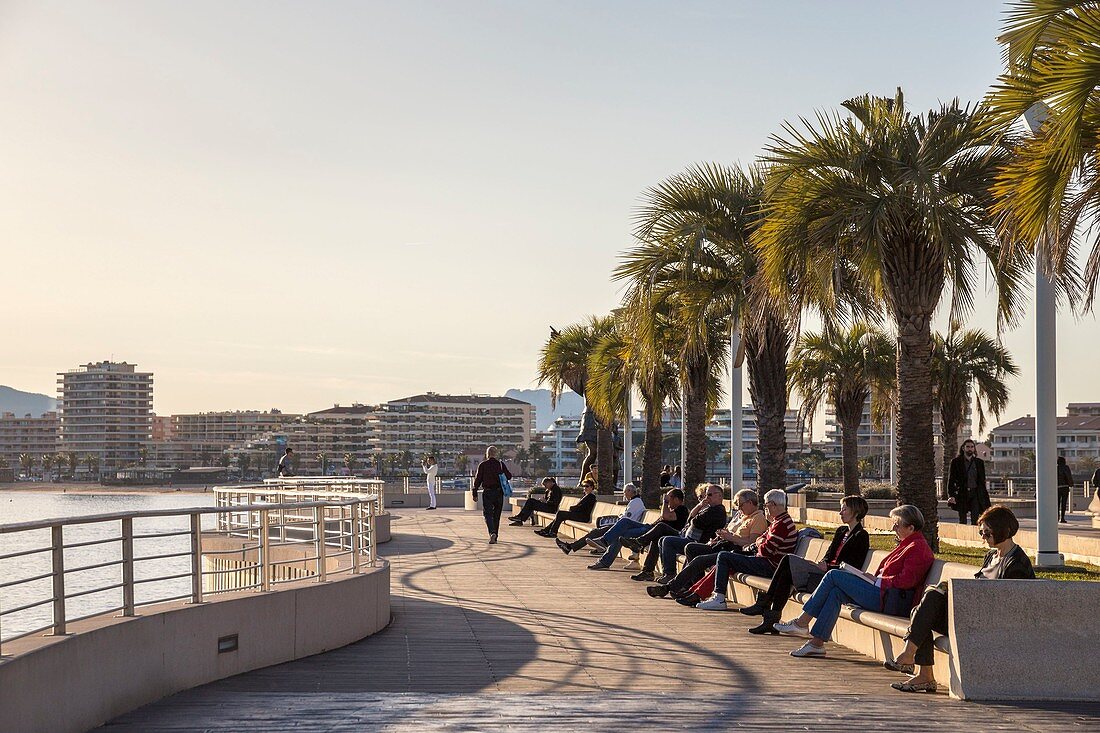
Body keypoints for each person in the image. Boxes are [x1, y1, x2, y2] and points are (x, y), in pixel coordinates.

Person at [885, 505, 1034, 693]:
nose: (983, 538)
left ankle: (913, 661)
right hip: (973, 615)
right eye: (982, 532)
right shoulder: (991, 556)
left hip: (991, 624)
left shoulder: (1017, 563)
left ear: (1004, 530)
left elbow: (1007, 605)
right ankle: (923, 673)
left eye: (987, 533)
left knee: (929, 602)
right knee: (921, 609)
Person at [774, 505, 934, 658]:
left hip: (891, 600)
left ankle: (802, 623)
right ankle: (816, 644)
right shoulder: (908, 544)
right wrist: (870, 578)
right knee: (836, 593)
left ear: (911, 528)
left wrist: (877, 580)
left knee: (833, 575)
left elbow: (906, 581)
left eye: (897, 525)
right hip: (883, 594)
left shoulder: (918, 548)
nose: (894, 529)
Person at [739, 495, 870, 634]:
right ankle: (770, 619)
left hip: (832, 579)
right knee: (786, 574)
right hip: (822, 572)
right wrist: (823, 563)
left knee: (788, 560)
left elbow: (853, 566)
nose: (840, 512)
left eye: (844, 509)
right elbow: (829, 554)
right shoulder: (841, 531)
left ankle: (766, 605)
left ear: (855, 512)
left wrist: (829, 567)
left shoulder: (861, 536)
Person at [646, 489, 767, 599]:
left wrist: (731, 537)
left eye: (741, 505)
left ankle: (670, 588)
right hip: (721, 545)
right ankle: (689, 587)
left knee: (699, 559)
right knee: (691, 548)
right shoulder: (741, 516)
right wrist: (722, 535)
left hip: (732, 551)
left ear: (750, 503)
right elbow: (692, 519)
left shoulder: (758, 518)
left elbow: (751, 542)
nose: (739, 508)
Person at [695, 489, 798, 610]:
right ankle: (704, 594)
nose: (765, 508)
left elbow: (765, 550)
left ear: (774, 505)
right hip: (766, 561)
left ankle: (718, 597)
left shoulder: (782, 525)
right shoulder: (778, 521)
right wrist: (760, 542)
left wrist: (759, 543)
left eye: (766, 505)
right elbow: (761, 540)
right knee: (728, 557)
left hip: (770, 566)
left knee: (724, 557)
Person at [619, 484, 725, 579]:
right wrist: (700, 506)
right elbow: (691, 519)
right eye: (701, 497)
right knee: (656, 537)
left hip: (692, 540)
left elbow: (693, 521)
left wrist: (665, 503)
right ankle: (647, 569)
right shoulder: (705, 508)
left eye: (708, 495)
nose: (704, 499)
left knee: (662, 532)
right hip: (683, 536)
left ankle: (668, 573)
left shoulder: (711, 510)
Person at [578, 488, 688, 567]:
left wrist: (664, 502)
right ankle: (604, 541)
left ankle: (605, 560)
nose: (668, 500)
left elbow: (665, 516)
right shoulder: (672, 509)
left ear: (678, 499)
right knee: (625, 521)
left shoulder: (682, 510)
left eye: (670, 498)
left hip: (655, 533)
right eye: (668, 498)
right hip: (649, 528)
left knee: (621, 535)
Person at [557, 483, 645, 554]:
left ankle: (571, 547)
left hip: (623, 528)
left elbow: (627, 519)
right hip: (622, 526)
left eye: (625, 492)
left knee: (595, 532)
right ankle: (597, 547)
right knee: (596, 531)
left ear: (630, 491)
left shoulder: (635, 503)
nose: (624, 494)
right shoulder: (634, 501)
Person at [472, 445, 512, 544]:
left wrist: (474, 492)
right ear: (496, 454)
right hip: (499, 492)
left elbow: (478, 480)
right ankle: (495, 536)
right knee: (497, 515)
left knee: (488, 514)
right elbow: (509, 476)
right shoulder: (500, 464)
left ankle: (492, 533)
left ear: (487, 454)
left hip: (488, 492)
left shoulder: (483, 465)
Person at [947, 439, 990, 525]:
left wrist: (984, 496)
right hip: (962, 493)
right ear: (963, 448)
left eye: (972, 447)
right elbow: (951, 479)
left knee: (975, 518)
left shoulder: (979, 463)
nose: (970, 449)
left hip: (975, 493)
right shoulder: (956, 462)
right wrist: (951, 495)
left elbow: (982, 481)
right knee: (962, 519)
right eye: (968, 447)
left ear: (974, 448)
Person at [1057, 456, 1074, 524]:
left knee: (1057, 503)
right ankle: (1062, 518)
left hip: (1057, 488)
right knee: (1063, 504)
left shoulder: (1055, 467)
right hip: (1065, 487)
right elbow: (1068, 476)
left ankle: (1056, 517)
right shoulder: (1065, 467)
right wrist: (1071, 484)